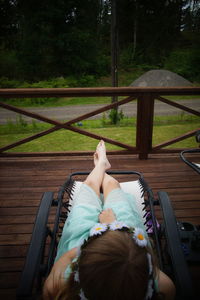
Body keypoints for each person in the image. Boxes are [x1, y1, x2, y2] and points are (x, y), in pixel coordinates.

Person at [43, 140, 175, 300]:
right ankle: (101, 167)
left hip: (80, 240)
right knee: (112, 184)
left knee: (91, 184)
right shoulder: (165, 289)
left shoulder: (57, 289)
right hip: (121, 239)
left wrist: (90, 244)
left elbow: (65, 259)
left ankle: (100, 166)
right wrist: (111, 227)